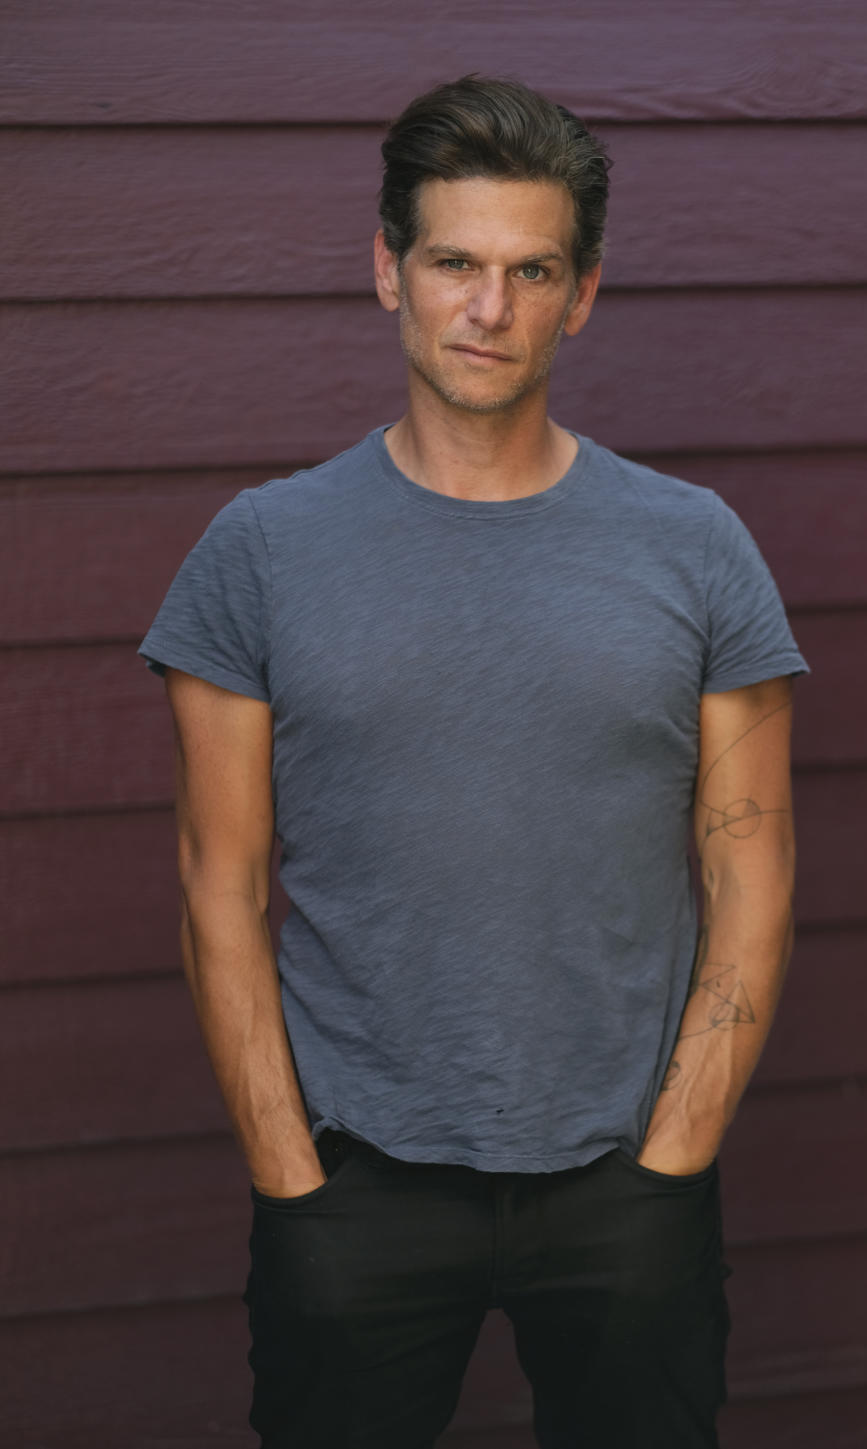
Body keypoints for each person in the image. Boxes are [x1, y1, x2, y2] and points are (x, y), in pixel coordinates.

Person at [139, 75, 808, 1449]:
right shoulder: (260, 554)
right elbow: (222, 884)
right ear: (387, 268)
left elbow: (752, 866)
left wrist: (676, 1157)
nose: (488, 308)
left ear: (584, 292)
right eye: (453, 262)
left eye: (529, 270)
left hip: (627, 1182)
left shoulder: (696, 548)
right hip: (359, 1188)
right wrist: (291, 1184)